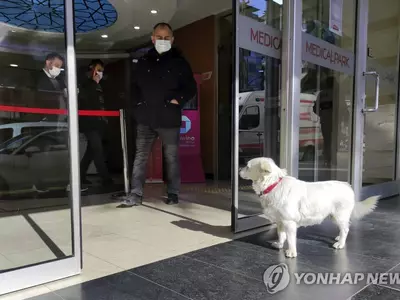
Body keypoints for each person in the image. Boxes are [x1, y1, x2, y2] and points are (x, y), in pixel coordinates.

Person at [118, 22, 197, 207]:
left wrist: (178, 99)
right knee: (140, 156)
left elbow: (190, 87)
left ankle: (173, 192)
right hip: (146, 118)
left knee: (171, 157)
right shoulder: (143, 61)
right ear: (153, 39)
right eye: (159, 37)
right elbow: (134, 87)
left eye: (166, 37)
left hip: (169, 118)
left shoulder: (180, 62)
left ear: (172, 39)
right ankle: (135, 194)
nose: (162, 40)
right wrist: (137, 106)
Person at [78, 59, 113, 186]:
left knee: (91, 152)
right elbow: (87, 102)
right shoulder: (86, 85)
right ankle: (106, 178)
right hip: (89, 123)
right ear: (92, 70)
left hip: (99, 123)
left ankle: (80, 176)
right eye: (98, 70)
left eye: (102, 71)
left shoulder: (101, 85)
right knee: (97, 150)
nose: (100, 73)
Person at [35, 52, 67, 123]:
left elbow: (64, 93)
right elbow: (37, 97)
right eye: (57, 65)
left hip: (59, 118)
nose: (58, 69)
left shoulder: (59, 79)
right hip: (44, 119)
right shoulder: (36, 77)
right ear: (48, 63)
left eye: (60, 67)